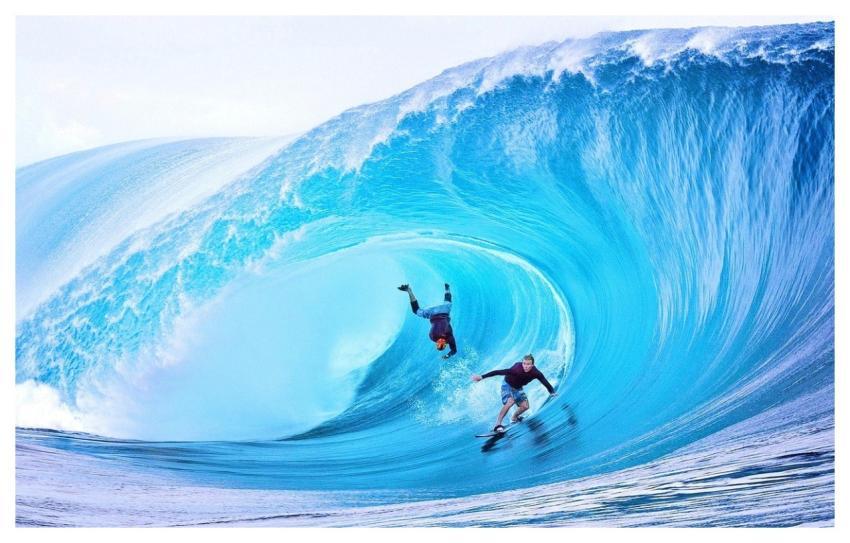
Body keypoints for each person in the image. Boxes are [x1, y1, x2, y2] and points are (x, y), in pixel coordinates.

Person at [471, 354, 557, 434]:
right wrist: (482, 377)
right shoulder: (516, 370)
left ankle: (514, 417)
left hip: (518, 388)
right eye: (524, 363)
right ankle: (497, 425)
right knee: (510, 401)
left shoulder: (536, 373)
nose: (525, 366)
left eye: (528, 364)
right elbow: (498, 372)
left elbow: (544, 381)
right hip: (507, 385)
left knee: (525, 406)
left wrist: (552, 392)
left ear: (532, 365)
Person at [398, 282, 457, 359]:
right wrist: (448, 355)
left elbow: (453, 349)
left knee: (416, 311)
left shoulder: (433, 337)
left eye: (439, 343)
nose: (440, 341)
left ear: (436, 344)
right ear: (445, 344)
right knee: (448, 303)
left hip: (432, 313)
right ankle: (447, 288)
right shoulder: (449, 338)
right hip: (442, 311)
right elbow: (454, 350)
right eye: (442, 343)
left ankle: (409, 291)